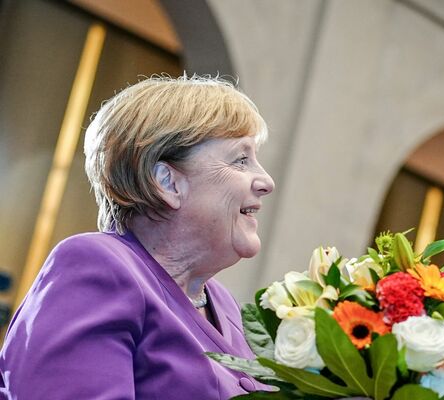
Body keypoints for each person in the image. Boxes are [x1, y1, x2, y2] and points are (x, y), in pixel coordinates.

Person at [0, 75, 275, 398]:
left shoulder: (224, 304)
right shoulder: (98, 268)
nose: (266, 181)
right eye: (241, 160)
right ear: (167, 182)